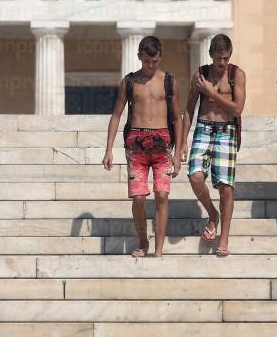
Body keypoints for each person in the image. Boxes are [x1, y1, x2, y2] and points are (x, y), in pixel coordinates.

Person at [102, 36, 183, 258]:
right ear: (139, 57)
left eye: (154, 61)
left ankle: (158, 249)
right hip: (136, 144)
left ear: (160, 57)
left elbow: (177, 117)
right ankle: (142, 240)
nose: (150, 65)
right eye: (147, 61)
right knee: (138, 197)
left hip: (162, 143)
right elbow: (117, 114)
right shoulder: (129, 81)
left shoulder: (168, 81)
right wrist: (109, 148)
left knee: (162, 195)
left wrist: (179, 151)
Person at [181, 34, 246, 256]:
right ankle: (212, 214)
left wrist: (210, 93)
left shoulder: (237, 74)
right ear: (210, 55)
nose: (222, 63)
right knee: (195, 176)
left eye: (226, 58)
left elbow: (237, 108)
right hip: (204, 127)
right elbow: (189, 109)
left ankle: (224, 238)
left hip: (227, 130)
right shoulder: (200, 75)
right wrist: (182, 142)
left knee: (226, 187)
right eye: (218, 58)